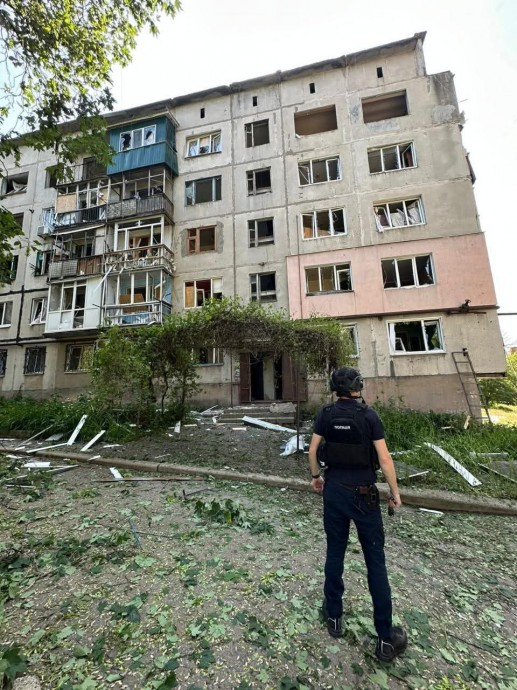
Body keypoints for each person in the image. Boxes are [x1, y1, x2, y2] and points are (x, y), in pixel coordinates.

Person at [308, 367, 408, 662]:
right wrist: (395, 492)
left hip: (334, 493)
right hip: (364, 496)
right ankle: (385, 639)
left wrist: (316, 477)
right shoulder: (369, 416)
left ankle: (334, 616)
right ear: (357, 387)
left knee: (334, 553)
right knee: (375, 562)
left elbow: (312, 451)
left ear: (334, 388)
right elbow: (385, 459)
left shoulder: (325, 414)